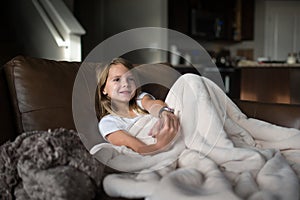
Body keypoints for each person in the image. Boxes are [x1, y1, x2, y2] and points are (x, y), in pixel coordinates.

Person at [96, 57, 180, 155]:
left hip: (176, 130)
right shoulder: (108, 122)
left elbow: (153, 105)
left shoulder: (140, 99)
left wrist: (165, 113)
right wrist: (161, 145)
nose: (125, 84)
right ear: (103, 89)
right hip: (160, 147)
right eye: (117, 79)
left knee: (190, 79)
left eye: (130, 79)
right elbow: (140, 149)